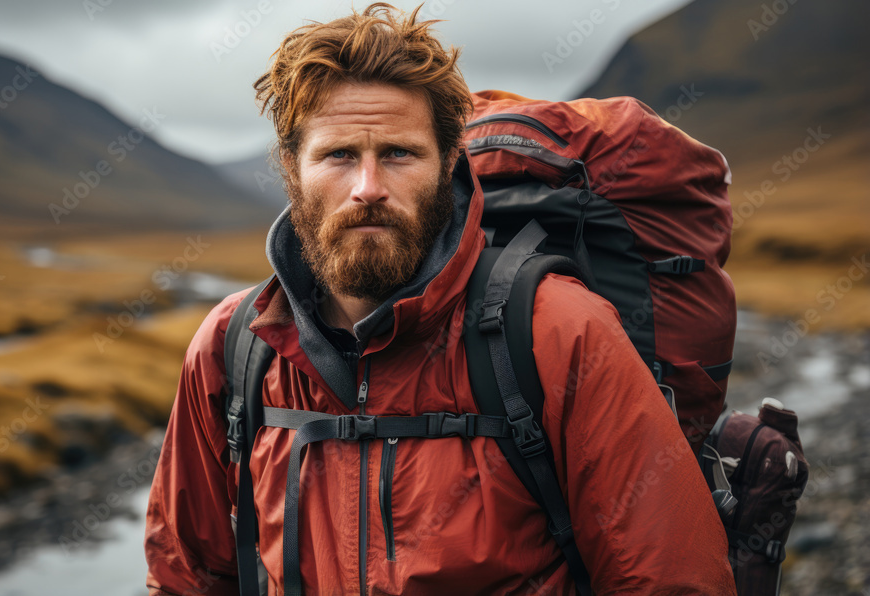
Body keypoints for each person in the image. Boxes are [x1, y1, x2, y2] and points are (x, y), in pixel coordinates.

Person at [144, 4, 736, 595]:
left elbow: (670, 580)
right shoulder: (234, 348)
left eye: (399, 154)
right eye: (338, 155)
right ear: (292, 169)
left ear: (448, 163)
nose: (368, 189)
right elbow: (184, 577)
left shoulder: (556, 331)